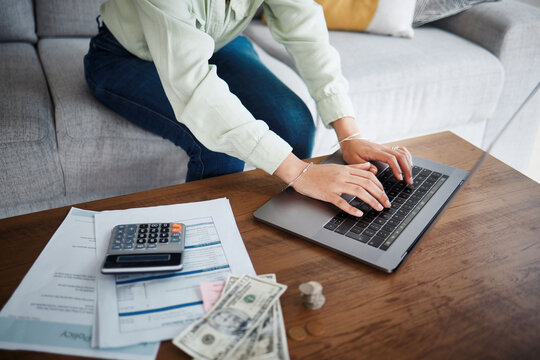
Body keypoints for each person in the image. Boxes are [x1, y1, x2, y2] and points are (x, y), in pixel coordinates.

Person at [84, 0, 413, 217]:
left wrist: (349, 134)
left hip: (217, 44)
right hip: (126, 57)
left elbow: (307, 34)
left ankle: (285, 228)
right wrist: (301, 172)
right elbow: (193, 87)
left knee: (295, 123)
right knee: (213, 146)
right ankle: (213, 248)